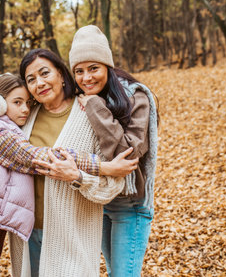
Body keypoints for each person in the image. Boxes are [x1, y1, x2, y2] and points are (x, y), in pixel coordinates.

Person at [0, 72, 137, 277]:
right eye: (17, 102)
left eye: (27, 103)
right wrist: (103, 167)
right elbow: (41, 157)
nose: (25, 109)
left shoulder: (11, 129)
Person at [8, 49, 137, 277]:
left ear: (60, 73)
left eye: (45, 73)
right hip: (28, 235)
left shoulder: (89, 113)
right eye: (31, 79)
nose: (40, 83)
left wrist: (77, 177)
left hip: (72, 238)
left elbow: (113, 185)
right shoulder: (23, 118)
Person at [69, 25, 159, 277]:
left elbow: (129, 154)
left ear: (107, 65)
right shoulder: (81, 98)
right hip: (99, 199)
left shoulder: (135, 96)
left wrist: (96, 107)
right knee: (113, 272)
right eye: (79, 71)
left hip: (130, 203)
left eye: (93, 68)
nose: (86, 78)